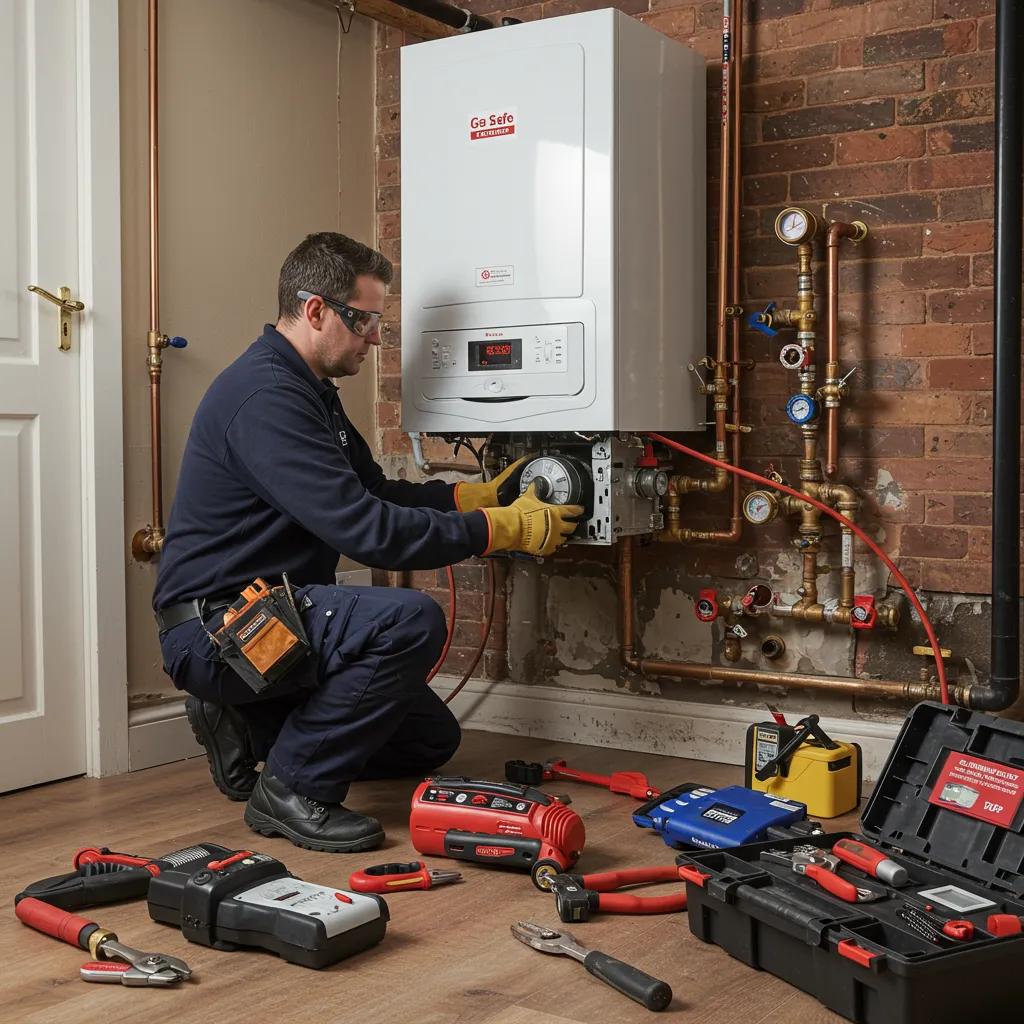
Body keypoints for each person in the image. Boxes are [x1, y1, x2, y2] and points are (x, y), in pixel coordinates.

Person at [153, 232, 581, 853]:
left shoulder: (307, 391)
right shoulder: (265, 397)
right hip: (221, 628)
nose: (375, 338)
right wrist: (499, 531)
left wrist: (477, 497)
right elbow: (369, 532)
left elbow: (375, 493)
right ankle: (291, 791)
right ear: (316, 310)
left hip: (274, 615)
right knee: (408, 621)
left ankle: (249, 724)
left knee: (428, 740)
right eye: (363, 320)